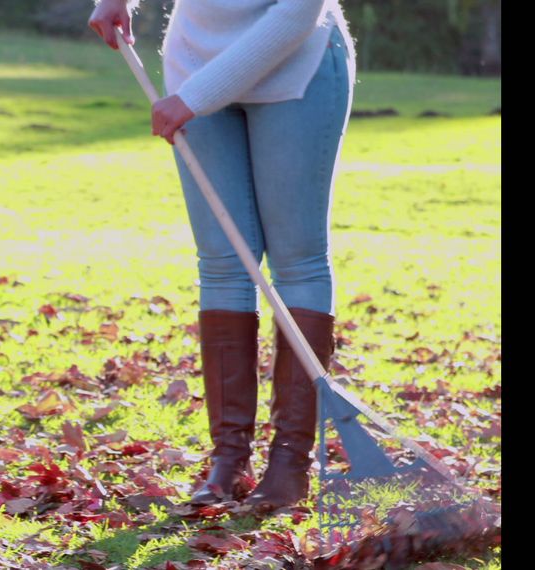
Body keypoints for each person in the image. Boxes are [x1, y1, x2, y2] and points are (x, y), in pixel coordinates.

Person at [88, 0, 355, 510]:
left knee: (296, 260)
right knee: (222, 263)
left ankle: (288, 466)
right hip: (197, 58)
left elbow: (297, 15)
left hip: (297, 66)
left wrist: (195, 98)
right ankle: (229, 462)